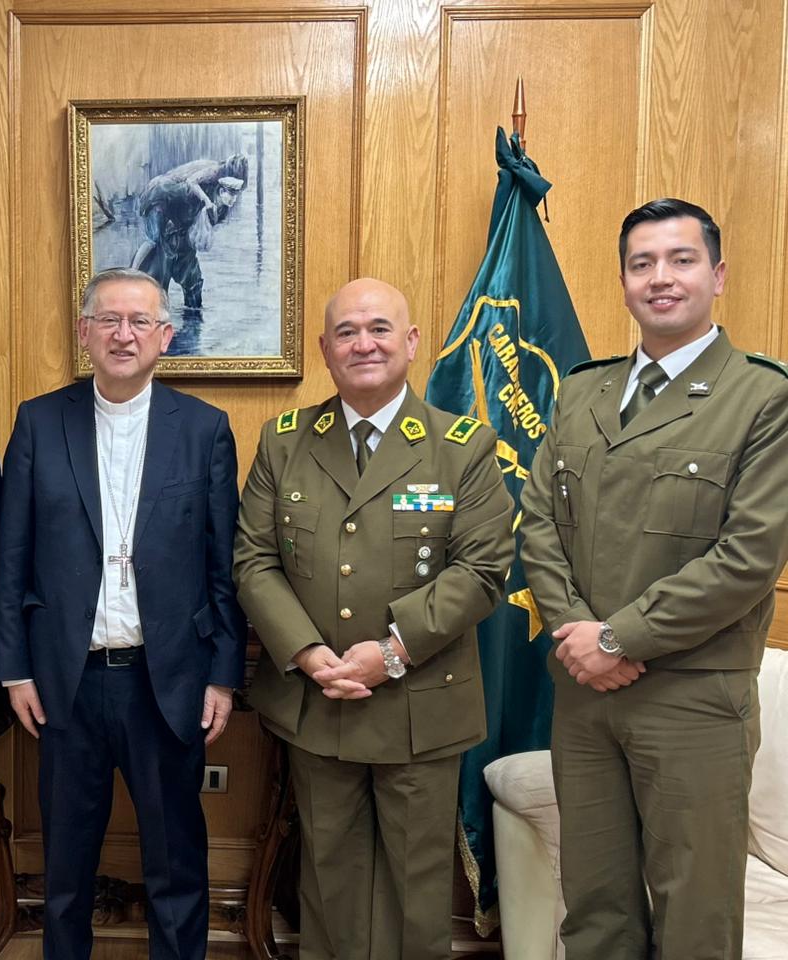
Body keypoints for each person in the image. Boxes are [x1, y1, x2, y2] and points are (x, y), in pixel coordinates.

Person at [520, 198, 788, 959]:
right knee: (596, 911)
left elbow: (749, 557)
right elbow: (538, 523)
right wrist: (581, 639)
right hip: (584, 695)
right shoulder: (582, 391)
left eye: (681, 260)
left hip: (692, 699)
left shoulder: (765, 398)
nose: (660, 279)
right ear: (624, 281)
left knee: (694, 917)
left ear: (718, 275)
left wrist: (616, 636)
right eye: (642, 264)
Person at [233, 277, 513, 960]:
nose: (364, 343)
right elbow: (253, 560)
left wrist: (388, 653)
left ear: (411, 343)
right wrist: (304, 652)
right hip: (316, 698)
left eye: (380, 328)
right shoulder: (286, 440)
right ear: (326, 349)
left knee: (416, 891)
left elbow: (482, 572)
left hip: (419, 706)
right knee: (327, 882)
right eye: (348, 332)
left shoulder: (463, 446)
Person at [0, 267, 244, 960]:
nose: (123, 334)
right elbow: (11, 557)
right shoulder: (40, 422)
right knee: (67, 867)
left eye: (140, 322)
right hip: (65, 681)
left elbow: (223, 565)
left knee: (175, 861)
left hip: (167, 680)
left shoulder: (203, 430)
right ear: (84, 333)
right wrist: (14, 669)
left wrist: (222, 676)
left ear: (166, 336)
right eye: (108, 320)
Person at [130, 155, 249, 312]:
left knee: (190, 276)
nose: (234, 199)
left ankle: (189, 311)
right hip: (159, 198)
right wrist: (206, 202)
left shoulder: (219, 206)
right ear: (220, 188)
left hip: (178, 217)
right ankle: (131, 275)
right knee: (156, 244)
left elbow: (198, 230)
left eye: (237, 193)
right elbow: (185, 187)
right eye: (231, 192)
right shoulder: (209, 176)